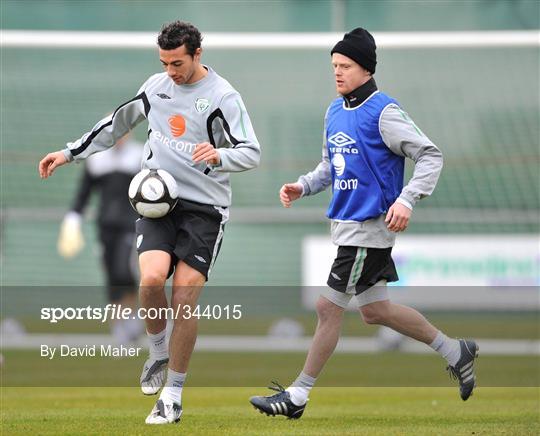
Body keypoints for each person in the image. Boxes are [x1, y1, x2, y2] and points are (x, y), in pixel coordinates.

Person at [39, 20, 260, 425]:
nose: (171, 72)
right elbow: (114, 126)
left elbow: (252, 152)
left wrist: (219, 156)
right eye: (165, 63)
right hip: (158, 203)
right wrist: (68, 153)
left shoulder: (223, 97)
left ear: (197, 54)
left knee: (184, 296)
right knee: (151, 281)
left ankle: (172, 395)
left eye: (178, 63)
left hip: (205, 210)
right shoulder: (155, 87)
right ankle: (158, 351)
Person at [249, 28, 478, 419]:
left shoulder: (384, 111)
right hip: (346, 226)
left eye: (346, 66)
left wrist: (407, 199)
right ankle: (456, 351)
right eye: (334, 65)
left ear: (366, 69)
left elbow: (430, 155)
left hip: (369, 228)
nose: (337, 73)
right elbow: (330, 166)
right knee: (376, 311)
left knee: (327, 307)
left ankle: (297, 396)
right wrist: (303, 186)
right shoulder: (334, 110)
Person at [57, 132, 143, 345]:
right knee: (112, 273)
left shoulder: (139, 156)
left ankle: (131, 316)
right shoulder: (97, 159)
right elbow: (84, 193)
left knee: (125, 269)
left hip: (131, 224)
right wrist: (73, 218)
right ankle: (117, 325)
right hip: (105, 225)